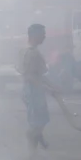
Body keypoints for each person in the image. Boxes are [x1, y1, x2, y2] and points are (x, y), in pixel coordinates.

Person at [20, 23, 55, 153]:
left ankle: (37, 141)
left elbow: (38, 74)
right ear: (35, 35)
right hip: (33, 90)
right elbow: (30, 76)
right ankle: (32, 153)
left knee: (41, 120)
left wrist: (52, 85)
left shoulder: (29, 51)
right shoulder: (30, 53)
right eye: (43, 34)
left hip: (34, 89)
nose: (45, 37)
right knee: (36, 123)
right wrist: (47, 89)